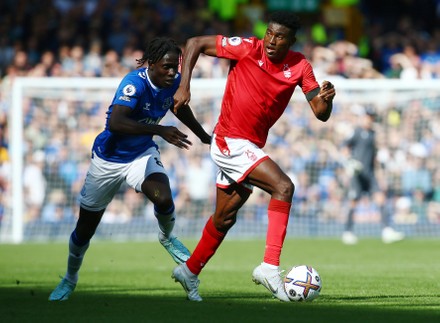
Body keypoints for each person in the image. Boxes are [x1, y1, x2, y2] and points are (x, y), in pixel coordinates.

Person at [171, 11, 336, 302]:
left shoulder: (300, 66)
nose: (271, 41)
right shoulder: (248, 47)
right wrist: (184, 86)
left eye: (280, 37)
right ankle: (270, 267)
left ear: (291, 41)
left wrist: (327, 99)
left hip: (250, 145)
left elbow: (320, 114)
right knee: (284, 187)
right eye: (269, 33)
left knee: (224, 218)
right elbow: (195, 42)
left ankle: (189, 270)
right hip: (230, 140)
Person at [48, 37, 211, 301]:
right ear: (152, 64)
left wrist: (203, 135)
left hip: (140, 154)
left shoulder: (173, 82)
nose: (172, 72)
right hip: (108, 159)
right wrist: (159, 130)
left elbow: (179, 108)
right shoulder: (134, 84)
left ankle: (167, 237)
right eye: (166, 67)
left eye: (175, 67)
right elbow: (115, 122)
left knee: (164, 197)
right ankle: (69, 278)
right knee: (85, 229)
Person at [341, 108, 404, 245]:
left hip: (370, 174)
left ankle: (387, 231)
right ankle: (347, 231)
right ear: (364, 117)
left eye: (372, 117)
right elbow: (345, 147)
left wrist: (380, 175)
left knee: (380, 199)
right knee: (353, 202)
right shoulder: (357, 132)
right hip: (357, 175)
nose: (370, 120)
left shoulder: (373, 134)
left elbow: (374, 157)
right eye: (368, 117)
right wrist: (350, 162)